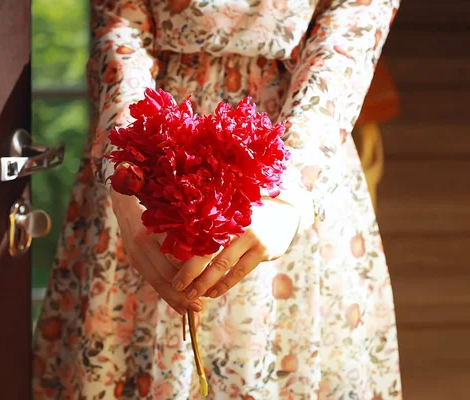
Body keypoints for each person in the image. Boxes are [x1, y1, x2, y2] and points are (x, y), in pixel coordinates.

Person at [33, 0, 403, 398]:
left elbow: (350, 34)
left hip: (289, 146)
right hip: (155, 141)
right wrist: (127, 166)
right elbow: (121, 30)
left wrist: (293, 193)